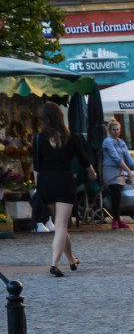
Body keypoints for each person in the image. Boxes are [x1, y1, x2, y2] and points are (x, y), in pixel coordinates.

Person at [34, 102, 96, 277]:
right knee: (61, 225)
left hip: (46, 182)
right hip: (64, 182)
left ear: (44, 119)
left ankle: (71, 260)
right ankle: (54, 264)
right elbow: (84, 160)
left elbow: (36, 165)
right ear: (61, 117)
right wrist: (92, 172)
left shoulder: (38, 138)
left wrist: (38, 188)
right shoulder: (73, 137)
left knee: (59, 225)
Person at [101, 119, 134, 230]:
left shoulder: (121, 142)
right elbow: (116, 158)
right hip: (111, 171)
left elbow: (127, 156)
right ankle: (115, 220)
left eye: (118, 129)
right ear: (109, 130)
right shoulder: (108, 142)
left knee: (119, 197)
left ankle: (117, 218)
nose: (116, 132)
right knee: (115, 195)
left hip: (120, 171)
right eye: (114, 130)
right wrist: (129, 171)